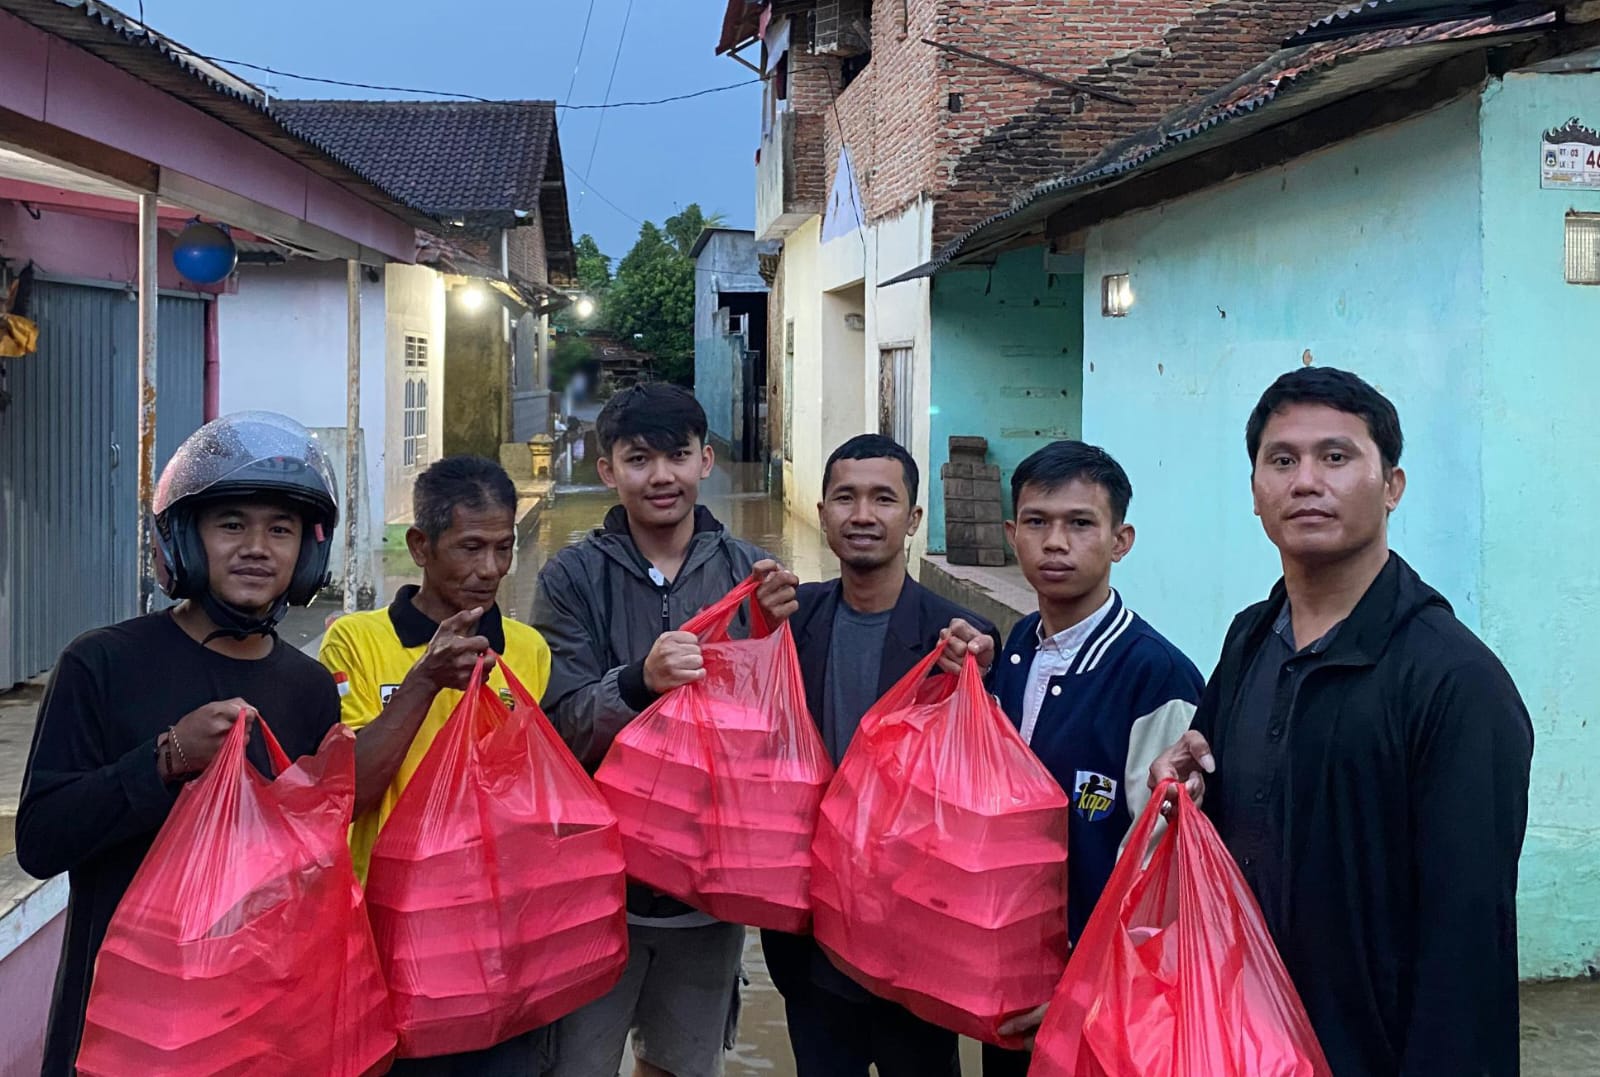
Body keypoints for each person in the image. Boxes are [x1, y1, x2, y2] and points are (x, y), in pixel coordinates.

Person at [1148, 367, 1533, 1076]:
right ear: (1256, 490)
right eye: (1282, 459)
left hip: (1364, 1050)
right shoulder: (1250, 639)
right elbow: (1220, 806)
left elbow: (1468, 944)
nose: (1305, 481)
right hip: (1236, 1036)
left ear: (1393, 486)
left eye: (1336, 455)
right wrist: (1186, 790)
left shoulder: (1453, 681)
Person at [16, 412, 350, 1075]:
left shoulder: (308, 686)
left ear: (306, 554)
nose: (257, 546)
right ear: (184, 540)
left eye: (280, 529)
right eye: (231, 524)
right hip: (118, 1029)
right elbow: (41, 840)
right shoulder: (102, 663)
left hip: (255, 1027)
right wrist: (165, 759)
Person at [532, 383, 798, 1077]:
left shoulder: (751, 573)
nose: (661, 476)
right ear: (606, 470)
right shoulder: (569, 577)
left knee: (683, 1066)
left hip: (708, 894)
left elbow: (780, 732)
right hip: (596, 887)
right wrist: (635, 682)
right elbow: (554, 729)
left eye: (677, 456)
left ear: (706, 460)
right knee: (575, 1065)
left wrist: (779, 628)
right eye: (639, 458)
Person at [946, 440, 1204, 1075]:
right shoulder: (1013, 653)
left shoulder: (1157, 675)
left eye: (1080, 524)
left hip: (1098, 1002)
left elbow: (1159, 868)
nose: (1055, 542)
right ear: (1012, 535)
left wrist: (1086, 989)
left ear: (1121, 540)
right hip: (1008, 987)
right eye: (1037, 522)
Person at [763, 434, 999, 1077]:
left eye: (883, 499)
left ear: (913, 519)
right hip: (811, 928)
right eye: (846, 497)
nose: (862, 514)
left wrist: (977, 676)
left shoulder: (959, 640)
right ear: (823, 510)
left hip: (915, 930)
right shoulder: (790, 619)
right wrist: (749, 629)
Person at [318, 455, 553, 1074]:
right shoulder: (358, 641)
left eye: (504, 548)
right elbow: (352, 793)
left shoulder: (526, 650)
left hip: (496, 933)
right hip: (389, 932)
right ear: (420, 545)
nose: (491, 570)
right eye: (470, 547)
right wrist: (423, 683)